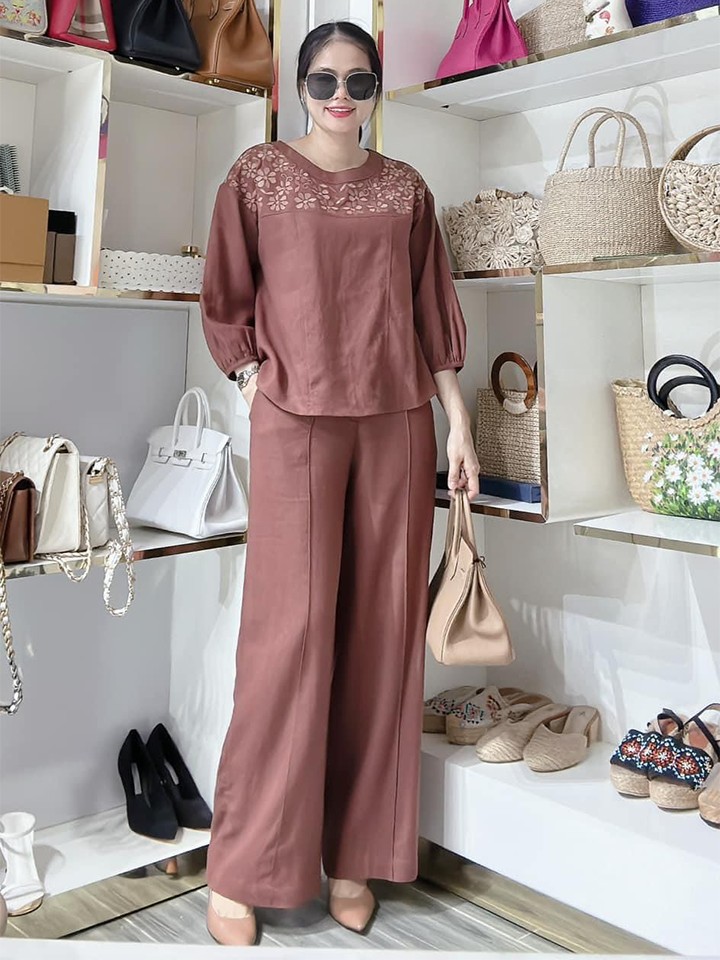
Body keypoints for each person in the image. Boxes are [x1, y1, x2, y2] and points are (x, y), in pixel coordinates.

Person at [199, 19, 480, 947]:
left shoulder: (406, 189)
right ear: (299, 85)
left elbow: (430, 310)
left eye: (359, 81)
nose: (341, 98)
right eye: (324, 80)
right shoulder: (257, 177)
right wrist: (252, 380)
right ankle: (245, 868)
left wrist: (459, 420)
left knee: (382, 638)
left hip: (398, 423)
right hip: (296, 423)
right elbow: (226, 295)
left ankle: (355, 857)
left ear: (376, 89)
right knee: (287, 642)